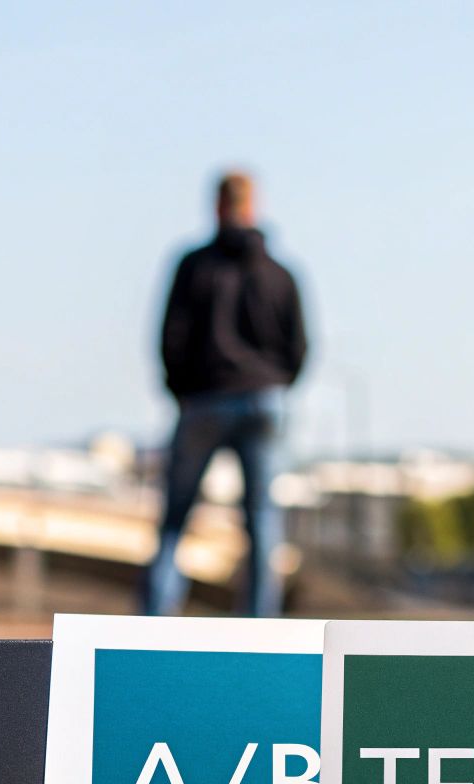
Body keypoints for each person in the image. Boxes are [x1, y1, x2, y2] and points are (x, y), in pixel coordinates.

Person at [143, 170, 308, 617]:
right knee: (262, 524)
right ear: (254, 207)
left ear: (216, 207)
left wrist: (183, 393)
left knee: (175, 521)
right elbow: (299, 347)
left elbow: (170, 338)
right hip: (264, 402)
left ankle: (151, 629)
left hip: (204, 401)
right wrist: (273, 387)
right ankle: (259, 633)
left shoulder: (194, 265)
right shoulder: (280, 274)